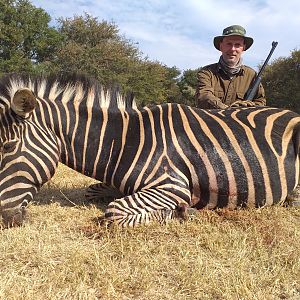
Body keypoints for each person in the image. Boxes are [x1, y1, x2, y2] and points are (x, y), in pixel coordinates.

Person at [195, 25, 266, 109]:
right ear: (221, 46)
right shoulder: (206, 73)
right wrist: (228, 110)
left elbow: (260, 101)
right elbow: (204, 96)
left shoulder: (252, 75)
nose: (232, 49)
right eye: (229, 44)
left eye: (237, 45)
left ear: (243, 48)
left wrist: (248, 107)